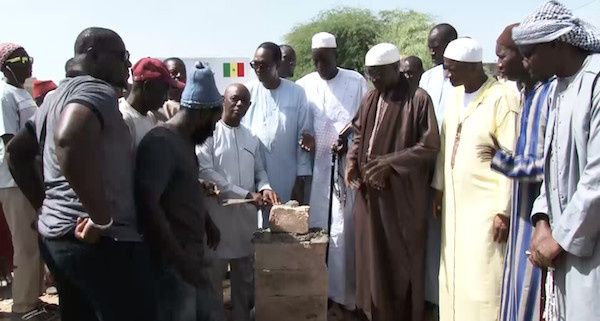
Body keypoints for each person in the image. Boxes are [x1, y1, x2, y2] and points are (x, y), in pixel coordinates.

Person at [6, 27, 157, 321]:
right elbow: (68, 139)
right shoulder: (95, 89)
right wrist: (100, 218)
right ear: (94, 56)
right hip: (100, 242)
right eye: (122, 57)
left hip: (59, 240)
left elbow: (16, 153)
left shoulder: (53, 97)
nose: (127, 65)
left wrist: (45, 208)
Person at [512, 1, 600, 320]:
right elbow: (552, 169)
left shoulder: (596, 82)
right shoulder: (555, 90)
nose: (524, 62)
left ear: (556, 43)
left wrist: (560, 238)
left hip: (589, 246)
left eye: (529, 52)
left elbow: (597, 177)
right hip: (562, 244)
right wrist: (542, 222)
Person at [345, 43, 440, 321]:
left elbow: (430, 145)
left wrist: (390, 163)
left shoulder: (419, 99)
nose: (374, 79)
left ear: (395, 68)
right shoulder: (370, 98)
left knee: (400, 264)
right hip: (369, 197)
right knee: (370, 259)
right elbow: (359, 134)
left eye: (379, 73)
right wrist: (353, 162)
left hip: (401, 200)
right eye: (370, 73)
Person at [431, 38, 519, 321]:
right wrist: (438, 190)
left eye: (452, 69)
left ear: (471, 67)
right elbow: (445, 148)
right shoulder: (455, 97)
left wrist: (503, 211)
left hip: (486, 211)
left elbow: (511, 155)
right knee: (454, 273)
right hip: (456, 208)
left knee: (483, 278)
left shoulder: (502, 98)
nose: (447, 75)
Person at [477, 23, 555, 321]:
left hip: (541, 219)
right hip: (522, 215)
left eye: (502, 56)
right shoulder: (527, 94)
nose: (497, 64)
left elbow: (547, 166)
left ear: (523, 56)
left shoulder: (549, 96)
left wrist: (502, 160)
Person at [135, 62, 223, 321]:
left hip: (191, 256)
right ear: (203, 114)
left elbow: (185, 186)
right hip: (172, 262)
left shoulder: (185, 142)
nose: (214, 129)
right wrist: (179, 259)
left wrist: (207, 222)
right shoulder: (161, 142)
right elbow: (149, 205)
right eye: (214, 122)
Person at [296, 32, 368, 316]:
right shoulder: (304, 85)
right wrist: (309, 141)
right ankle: (319, 292)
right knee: (318, 229)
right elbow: (304, 128)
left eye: (324, 60)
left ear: (336, 55)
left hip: (346, 168)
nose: (319, 67)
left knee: (344, 231)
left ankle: (344, 295)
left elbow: (363, 118)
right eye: (315, 61)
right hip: (317, 171)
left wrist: (347, 137)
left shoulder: (356, 81)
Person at [198, 83, 280, 321]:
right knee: (214, 282)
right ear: (224, 100)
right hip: (217, 221)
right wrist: (245, 195)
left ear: (249, 106)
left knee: (244, 281)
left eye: (244, 101)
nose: (239, 104)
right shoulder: (208, 134)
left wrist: (265, 188)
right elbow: (206, 173)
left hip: (245, 223)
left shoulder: (251, 137)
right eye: (234, 99)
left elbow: (260, 171)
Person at [0, 43, 53, 321]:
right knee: (24, 243)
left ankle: (33, 299)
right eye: (18, 59)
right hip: (13, 179)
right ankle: (22, 306)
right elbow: (11, 144)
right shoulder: (4, 95)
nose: (26, 64)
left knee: (35, 239)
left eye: (27, 58)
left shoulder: (23, 93)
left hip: (31, 174)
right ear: (4, 65)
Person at [242, 42, 312, 227]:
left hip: (287, 175)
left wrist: (301, 178)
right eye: (255, 64)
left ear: (278, 64)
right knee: (254, 232)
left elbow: (303, 137)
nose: (259, 69)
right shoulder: (247, 92)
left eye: (264, 64)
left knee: (284, 230)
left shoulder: (297, 93)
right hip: (253, 175)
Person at [418, 23, 457, 315]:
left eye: (437, 44)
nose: (432, 50)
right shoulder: (427, 78)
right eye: (430, 45)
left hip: (457, 170)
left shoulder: (464, 77)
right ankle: (432, 297)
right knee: (432, 237)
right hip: (428, 169)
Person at [120, 57, 183, 150]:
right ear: (147, 86)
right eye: (163, 91)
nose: (166, 98)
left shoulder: (150, 117)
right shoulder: (125, 120)